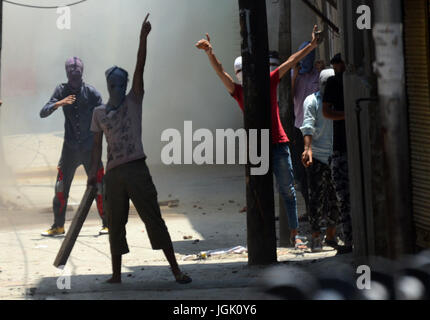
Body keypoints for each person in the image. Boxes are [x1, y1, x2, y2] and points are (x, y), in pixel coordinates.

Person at [195, 25, 322, 248]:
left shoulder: (269, 81)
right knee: (260, 195)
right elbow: (220, 72)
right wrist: (210, 54)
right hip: (257, 148)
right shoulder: (239, 91)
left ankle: (294, 234)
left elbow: (290, 61)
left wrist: (311, 46)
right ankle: (264, 239)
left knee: (288, 191)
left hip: (278, 143)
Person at [88, 15, 191, 284]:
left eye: (122, 84)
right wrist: (93, 175)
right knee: (115, 225)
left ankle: (176, 270)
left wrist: (142, 39)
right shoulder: (99, 113)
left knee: (153, 219)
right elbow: (96, 145)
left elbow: (139, 69)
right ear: (108, 86)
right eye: (115, 84)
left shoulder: (134, 101)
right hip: (113, 174)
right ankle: (116, 274)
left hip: (136, 168)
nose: (120, 88)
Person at [40, 57, 107, 237]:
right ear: (67, 74)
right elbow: (43, 112)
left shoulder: (91, 92)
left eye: (77, 76)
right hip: (69, 149)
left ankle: (107, 224)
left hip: (89, 148)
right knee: (61, 187)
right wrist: (60, 103)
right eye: (71, 76)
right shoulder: (61, 90)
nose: (74, 81)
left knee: (100, 186)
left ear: (81, 74)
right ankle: (58, 226)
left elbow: (105, 115)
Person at [301, 69, 339, 252]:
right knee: (316, 198)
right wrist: (307, 149)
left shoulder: (340, 100)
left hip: (336, 155)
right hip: (317, 157)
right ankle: (316, 236)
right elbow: (307, 126)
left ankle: (331, 235)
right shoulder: (312, 101)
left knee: (336, 198)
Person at [322, 53, 352, 254]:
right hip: (344, 149)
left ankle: (350, 241)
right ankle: (350, 240)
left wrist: (344, 115)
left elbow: (327, 112)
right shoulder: (341, 82)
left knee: (345, 200)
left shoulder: (333, 83)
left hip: (342, 151)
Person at [290, 42, 324, 222]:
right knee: (301, 174)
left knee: (317, 171)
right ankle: (311, 209)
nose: (306, 61)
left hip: (316, 131)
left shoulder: (318, 75)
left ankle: (319, 210)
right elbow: (288, 96)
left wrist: (322, 70)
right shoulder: (294, 76)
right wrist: (295, 74)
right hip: (299, 128)